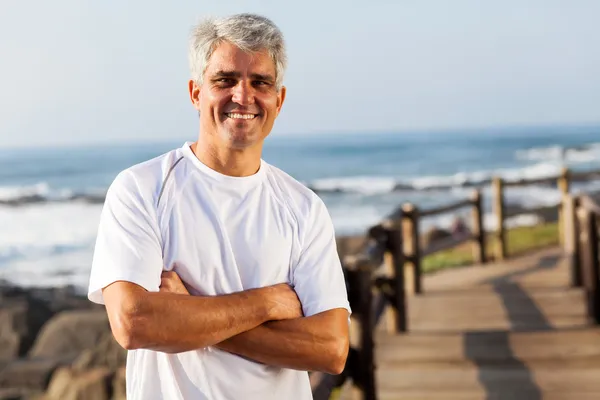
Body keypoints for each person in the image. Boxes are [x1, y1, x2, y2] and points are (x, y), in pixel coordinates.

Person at [87, 13, 351, 400]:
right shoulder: (141, 190)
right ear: (196, 92)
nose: (243, 97)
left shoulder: (303, 207)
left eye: (260, 82)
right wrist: (268, 302)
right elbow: (134, 322)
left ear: (279, 99)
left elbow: (330, 349)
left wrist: (189, 313)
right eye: (225, 80)